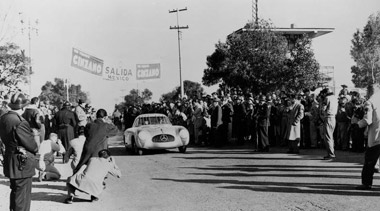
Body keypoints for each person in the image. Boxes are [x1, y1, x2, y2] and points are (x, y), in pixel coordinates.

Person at [0, 92, 38, 211]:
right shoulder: (20, 122)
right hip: (22, 162)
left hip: (10, 158)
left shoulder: (4, 118)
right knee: (23, 197)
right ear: (22, 107)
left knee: (16, 193)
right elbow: (33, 146)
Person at [74, 109, 119, 173]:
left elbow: (86, 134)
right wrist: (110, 122)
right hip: (99, 150)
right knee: (102, 164)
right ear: (105, 117)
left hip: (87, 149)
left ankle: (75, 175)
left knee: (82, 163)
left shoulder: (89, 125)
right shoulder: (106, 126)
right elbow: (116, 130)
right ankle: (101, 178)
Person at [355, 84, 380, 190]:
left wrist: (357, 124)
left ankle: (366, 183)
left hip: (376, 136)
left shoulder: (369, 102)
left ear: (369, 91)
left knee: (370, 161)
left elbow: (367, 120)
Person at [321, 87, 338, 160]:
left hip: (328, 117)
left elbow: (323, 108)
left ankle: (331, 154)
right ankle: (331, 152)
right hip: (333, 117)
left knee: (328, 136)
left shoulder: (327, 98)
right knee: (331, 136)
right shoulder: (335, 98)